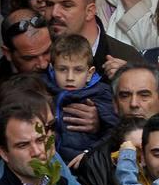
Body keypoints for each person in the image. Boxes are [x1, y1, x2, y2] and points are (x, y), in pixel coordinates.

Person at [45, 0, 145, 78]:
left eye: (66, 5)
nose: (54, 13)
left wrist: (127, 83)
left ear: (90, 11)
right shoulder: (39, 56)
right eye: (49, 5)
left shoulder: (126, 59)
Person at [45, 34, 117, 164]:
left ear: (89, 73)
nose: (70, 77)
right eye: (62, 69)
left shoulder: (101, 94)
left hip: (85, 165)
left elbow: (114, 132)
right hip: (50, 165)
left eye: (78, 70)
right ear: (52, 69)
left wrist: (89, 153)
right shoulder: (43, 90)